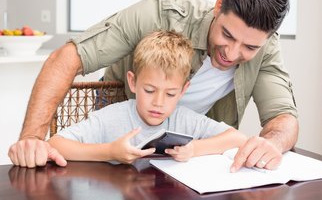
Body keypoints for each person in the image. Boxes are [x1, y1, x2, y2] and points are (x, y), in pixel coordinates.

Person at [8, 0, 298, 170]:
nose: (232, 54)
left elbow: (284, 118)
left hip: (186, 144)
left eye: (249, 48)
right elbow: (67, 58)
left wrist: (270, 144)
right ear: (219, 6)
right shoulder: (160, 12)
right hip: (123, 126)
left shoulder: (267, 49)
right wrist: (32, 140)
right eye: (227, 35)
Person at [46, 30, 248, 167]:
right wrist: (109, 151)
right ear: (133, 82)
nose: (159, 102)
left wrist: (194, 149)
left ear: (184, 90)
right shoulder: (112, 117)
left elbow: (238, 139)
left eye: (170, 94)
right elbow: (55, 144)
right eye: (150, 90)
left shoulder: (184, 118)